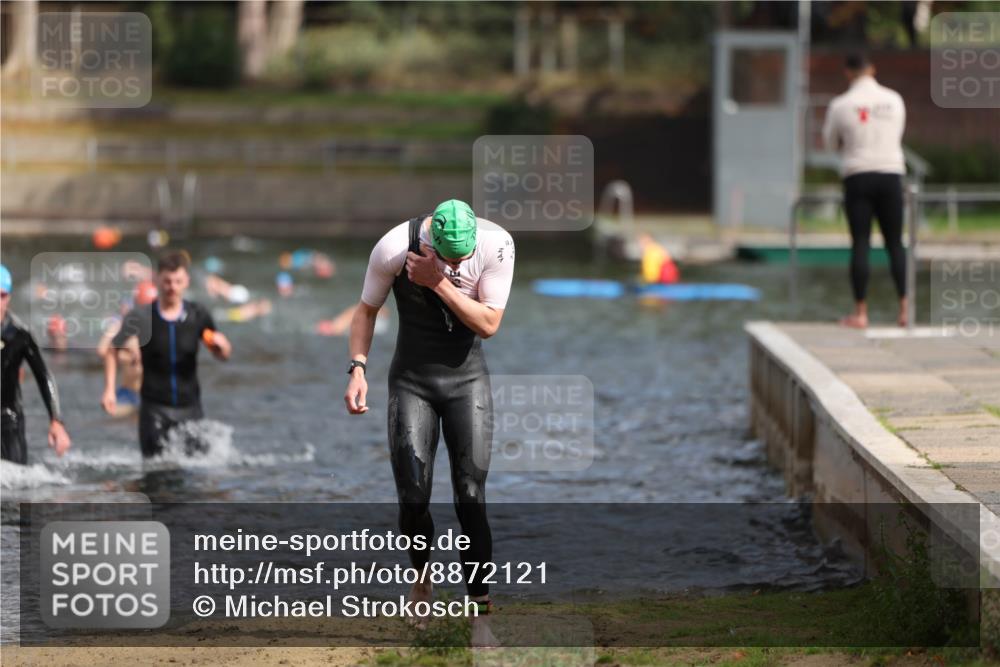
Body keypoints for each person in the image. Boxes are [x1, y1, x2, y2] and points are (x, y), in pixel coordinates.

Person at [344, 199, 514, 645]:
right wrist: (357, 368)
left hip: (467, 383)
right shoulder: (393, 248)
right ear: (431, 242)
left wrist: (439, 282)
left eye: (464, 257)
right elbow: (365, 311)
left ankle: (481, 617)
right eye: (450, 258)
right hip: (411, 383)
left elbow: (489, 324)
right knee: (414, 496)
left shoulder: (497, 245)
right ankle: (422, 579)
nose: (459, 264)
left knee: (470, 498)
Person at [101, 251, 231, 457]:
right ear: (157, 280)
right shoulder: (141, 316)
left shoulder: (198, 315)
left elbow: (221, 354)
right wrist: (109, 389)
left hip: (191, 408)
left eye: (178, 281)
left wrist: (222, 347)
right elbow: (111, 349)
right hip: (155, 410)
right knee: (156, 475)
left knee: (198, 474)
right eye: (167, 281)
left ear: (186, 281)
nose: (172, 287)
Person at [822, 53, 908, 328]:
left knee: (860, 243)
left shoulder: (840, 105)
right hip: (891, 173)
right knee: (895, 243)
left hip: (857, 175)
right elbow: (898, 134)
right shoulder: (894, 100)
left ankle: (860, 313)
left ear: (848, 73)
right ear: (872, 69)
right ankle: (905, 309)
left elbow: (830, 143)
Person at [0, 264, 72, 464]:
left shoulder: (20, 335)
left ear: (9, 298)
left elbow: (44, 376)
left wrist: (56, 421)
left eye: (2, 295)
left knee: (15, 484)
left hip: (8, 418)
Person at [96, 280, 158, 418]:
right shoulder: (124, 329)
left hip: (153, 395)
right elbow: (102, 351)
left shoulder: (161, 328)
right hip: (129, 393)